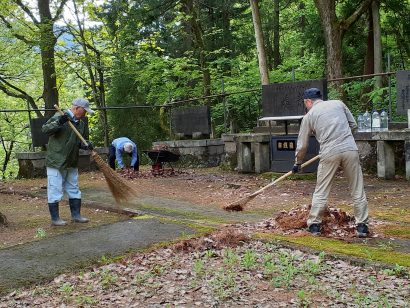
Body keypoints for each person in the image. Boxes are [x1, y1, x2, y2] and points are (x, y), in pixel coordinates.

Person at [293, 88, 369, 237]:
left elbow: (302, 145)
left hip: (329, 152)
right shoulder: (338, 104)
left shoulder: (309, 116)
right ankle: (362, 226)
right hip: (350, 149)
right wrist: (344, 139)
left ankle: (314, 225)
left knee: (321, 189)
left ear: (308, 101)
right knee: (357, 188)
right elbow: (353, 125)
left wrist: (298, 162)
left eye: (305, 104)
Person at [42, 98, 94, 226]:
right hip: (56, 161)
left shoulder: (81, 124)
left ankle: (76, 215)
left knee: (74, 188)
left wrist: (85, 145)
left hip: (71, 161)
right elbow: (45, 129)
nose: (86, 114)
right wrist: (59, 122)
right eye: (84, 111)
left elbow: (80, 141)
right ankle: (55, 219)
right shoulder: (60, 115)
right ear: (77, 108)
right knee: (55, 189)